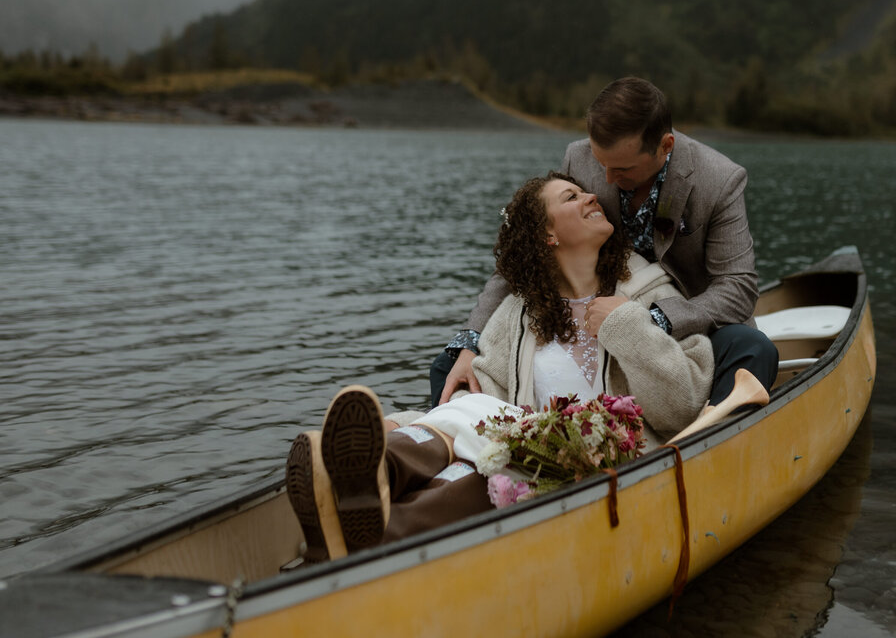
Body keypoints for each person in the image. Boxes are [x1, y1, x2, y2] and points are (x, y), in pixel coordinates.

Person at [287, 173, 716, 560]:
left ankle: (379, 474)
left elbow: (682, 405)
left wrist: (625, 325)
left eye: (586, 192)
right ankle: (372, 500)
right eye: (572, 196)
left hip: (608, 473)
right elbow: (479, 401)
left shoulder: (653, 296)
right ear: (547, 234)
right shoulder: (516, 316)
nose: (591, 197)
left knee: (495, 458)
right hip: (522, 462)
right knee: (482, 464)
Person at [432, 76, 777, 408]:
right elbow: (528, 251)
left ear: (665, 146)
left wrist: (652, 319)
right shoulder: (578, 158)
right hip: (594, 320)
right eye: (601, 164)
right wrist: (472, 341)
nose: (605, 181)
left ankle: (707, 442)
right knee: (449, 367)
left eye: (623, 169)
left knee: (752, 348)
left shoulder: (719, 180)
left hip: (685, 327)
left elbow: (738, 286)